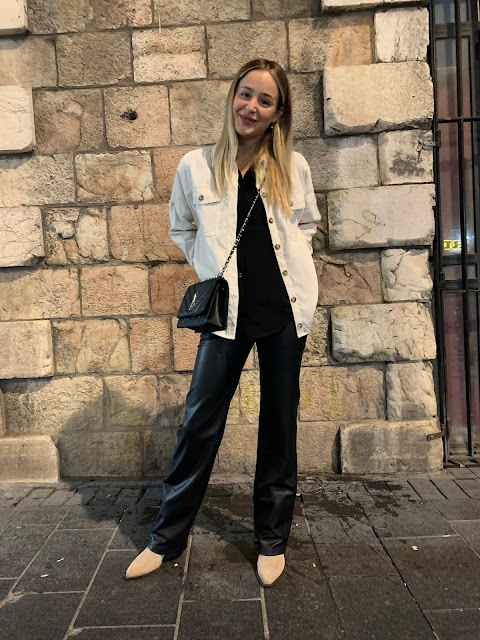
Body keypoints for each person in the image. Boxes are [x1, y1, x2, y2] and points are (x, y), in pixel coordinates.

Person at [124, 58, 321, 588]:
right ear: (232, 96)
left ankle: (272, 540)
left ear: (278, 114)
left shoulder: (292, 167)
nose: (251, 107)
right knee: (199, 422)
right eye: (246, 94)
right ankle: (166, 539)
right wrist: (212, 270)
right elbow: (180, 226)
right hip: (226, 313)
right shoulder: (196, 166)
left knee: (279, 425)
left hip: (284, 313)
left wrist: (296, 272)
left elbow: (307, 226)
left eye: (265, 101)